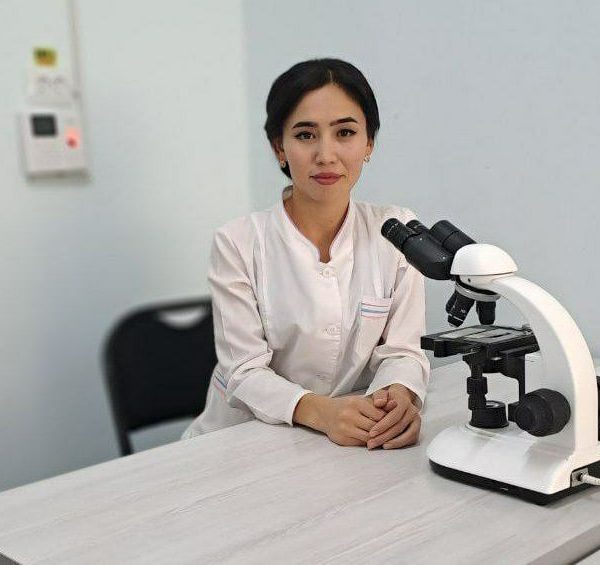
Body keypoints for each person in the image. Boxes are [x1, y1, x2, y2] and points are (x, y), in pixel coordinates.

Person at [182, 58, 430, 450]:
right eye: (305, 135)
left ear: (368, 143)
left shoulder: (396, 231)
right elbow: (244, 372)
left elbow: (402, 351)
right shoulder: (238, 242)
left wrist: (396, 399)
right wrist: (322, 412)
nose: (326, 155)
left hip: (345, 444)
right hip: (239, 443)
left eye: (345, 132)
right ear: (279, 147)